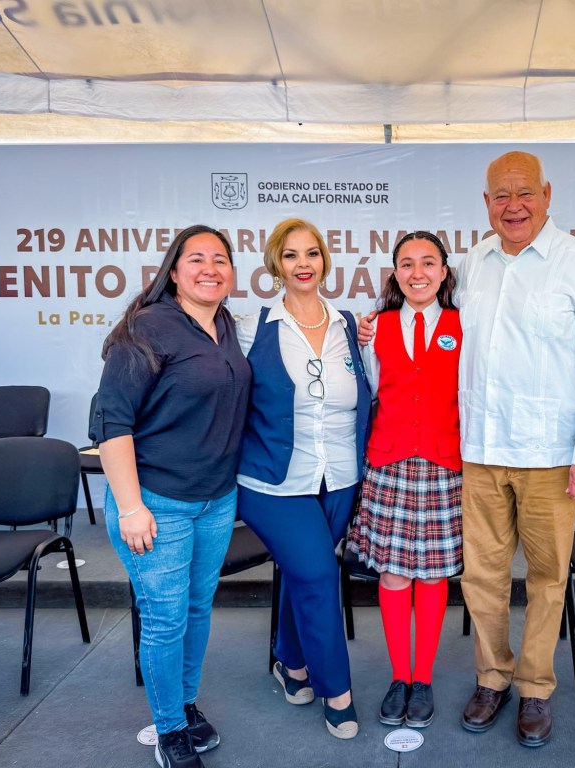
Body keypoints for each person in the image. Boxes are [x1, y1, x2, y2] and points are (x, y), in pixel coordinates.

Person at [453, 151, 575, 747]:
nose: (513, 205)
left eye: (524, 193)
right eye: (500, 195)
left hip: (552, 454)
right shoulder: (475, 262)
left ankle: (535, 689)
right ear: (486, 203)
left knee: (547, 579)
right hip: (483, 449)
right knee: (482, 577)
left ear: (546, 194)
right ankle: (491, 677)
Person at [93, 225, 250, 768]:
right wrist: (132, 507)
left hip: (215, 499)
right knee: (165, 619)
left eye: (221, 259)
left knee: (196, 610)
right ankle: (169, 730)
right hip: (156, 503)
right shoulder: (150, 327)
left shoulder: (226, 324)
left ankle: (183, 703)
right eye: (197, 258)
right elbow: (111, 421)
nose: (211, 268)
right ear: (174, 269)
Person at [236, 218, 371, 740]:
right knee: (317, 576)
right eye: (291, 255)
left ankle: (289, 663)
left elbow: (371, 394)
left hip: (339, 476)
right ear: (276, 265)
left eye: (312, 253)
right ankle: (337, 693)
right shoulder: (252, 326)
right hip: (273, 482)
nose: (303, 264)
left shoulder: (351, 325)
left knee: (303, 571)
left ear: (324, 260)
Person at [347, 231, 462, 730]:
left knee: (433, 575)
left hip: (442, 464)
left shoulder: (465, 325)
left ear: (443, 272)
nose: (418, 273)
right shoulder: (376, 330)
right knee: (394, 574)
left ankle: (423, 677)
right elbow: (366, 392)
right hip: (390, 464)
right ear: (395, 274)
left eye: (428, 263)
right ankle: (400, 677)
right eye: (407, 264)